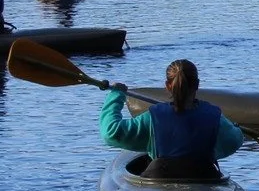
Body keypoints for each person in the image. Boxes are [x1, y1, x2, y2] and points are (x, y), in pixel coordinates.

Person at [101, 59, 244, 179]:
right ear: (197, 84)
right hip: (203, 178)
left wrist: (116, 96)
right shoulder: (215, 117)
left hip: (161, 180)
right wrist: (236, 128)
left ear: (168, 86)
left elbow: (111, 132)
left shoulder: (152, 118)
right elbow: (234, 141)